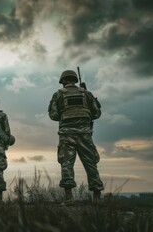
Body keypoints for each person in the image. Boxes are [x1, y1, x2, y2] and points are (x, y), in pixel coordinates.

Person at [48, 70, 104, 205]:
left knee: (66, 164)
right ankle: (97, 199)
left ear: (64, 81)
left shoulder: (58, 95)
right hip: (85, 134)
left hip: (67, 135)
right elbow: (96, 114)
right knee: (91, 163)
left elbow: (53, 116)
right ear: (74, 79)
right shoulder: (87, 94)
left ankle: (69, 199)